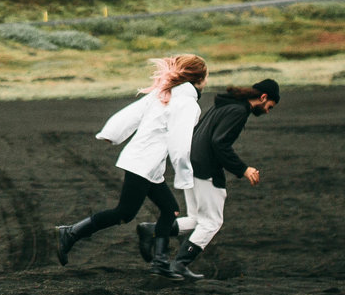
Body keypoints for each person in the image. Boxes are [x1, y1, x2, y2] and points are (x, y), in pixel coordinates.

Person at [54, 54, 207, 270]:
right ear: (201, 79)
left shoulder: (163, 93)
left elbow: (131, 113)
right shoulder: (187, 104)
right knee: (124, 213)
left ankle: (160, 260)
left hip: (145, 164)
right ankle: (70, 233)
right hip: (143, 164)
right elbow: (180, 144)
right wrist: (184, 176)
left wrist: (111, 133)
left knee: (170, 209)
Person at [147, 78, 275, 279]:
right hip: (205, 168)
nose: (268, 110)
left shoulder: (225, 105)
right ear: (263, 97)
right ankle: (180, 264)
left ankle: (154, 231)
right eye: (270, 106)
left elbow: (199, 133)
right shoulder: (238, 111)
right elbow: (219, 143)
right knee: (212, 222)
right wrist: (243, 169)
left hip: (190, 163)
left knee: (197, 219)